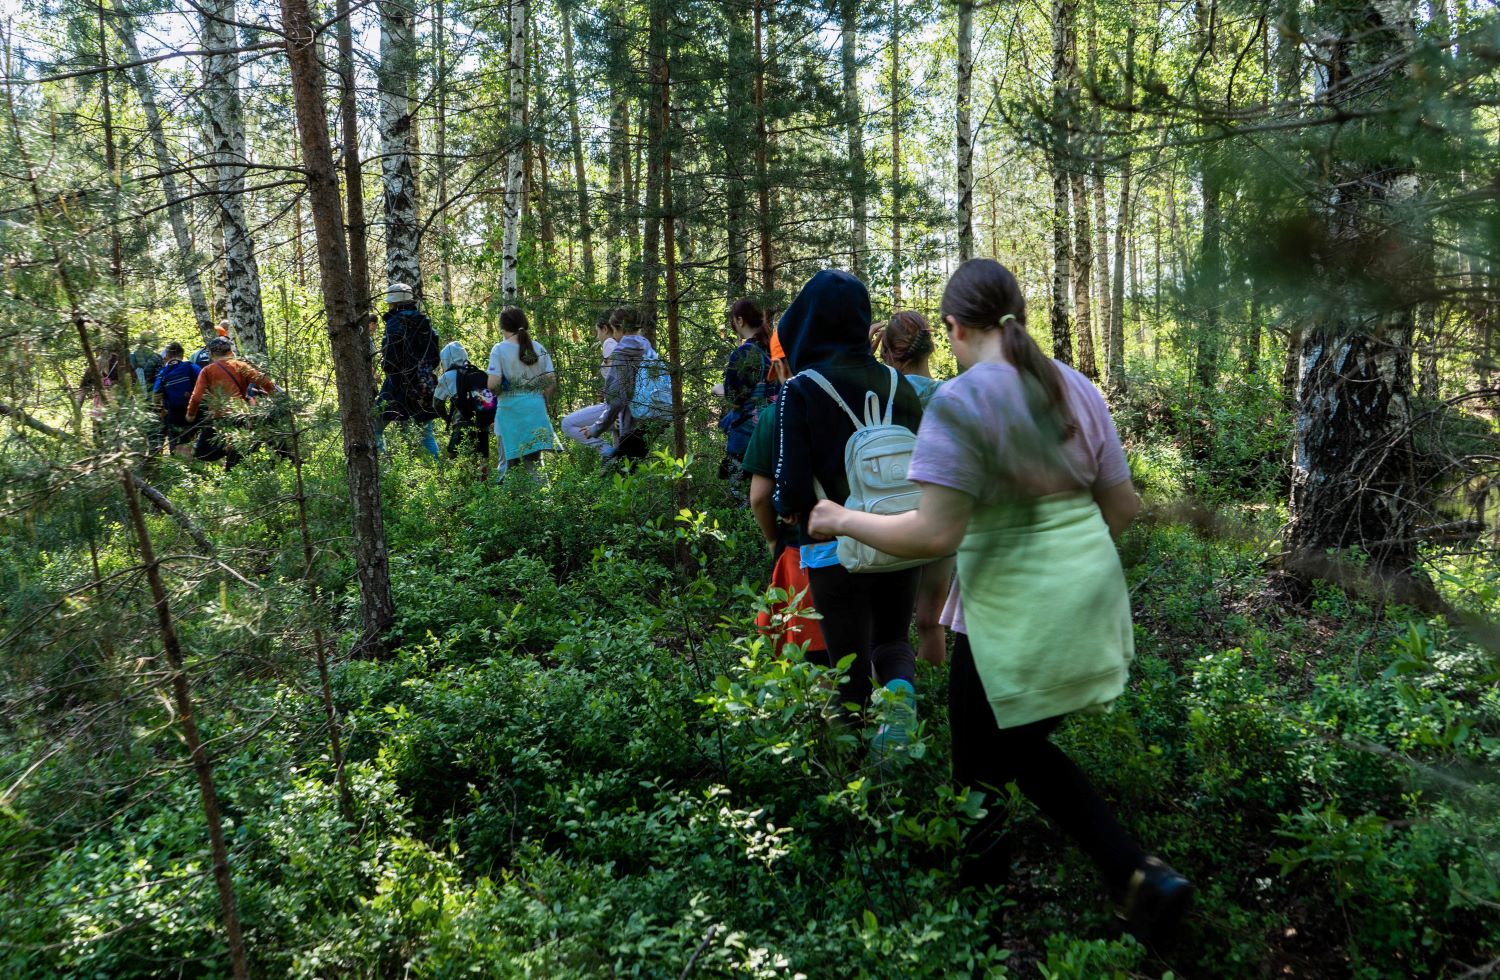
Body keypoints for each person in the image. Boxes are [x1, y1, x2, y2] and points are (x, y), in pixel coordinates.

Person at [808, 258, 1192, 943]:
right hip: (1087, 605)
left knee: (980, 772)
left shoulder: (960, 401)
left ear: (954, 328)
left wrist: (841, 520)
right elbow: (1124, 508)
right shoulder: (1078, 389)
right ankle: (1132, 875)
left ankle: (982, 929)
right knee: (1013, 750)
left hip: (1003, 617)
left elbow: (932, 532)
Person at [771, 269, 925, 745]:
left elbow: (791, 488)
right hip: (900, 536)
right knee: (893, 641)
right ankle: (899, 709)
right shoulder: (902, 387)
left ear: (809, 321)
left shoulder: (800, 390)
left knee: (847, 662)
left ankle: (857, 770)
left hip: (832, 547)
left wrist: (790, 508)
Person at [871, 311, 952, 667]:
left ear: (887, 351)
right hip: (941, 513)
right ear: (930, 347)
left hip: (892, 514)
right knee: (930, 619)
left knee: (887, 628)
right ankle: (935, 693)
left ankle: (894, 695)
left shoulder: (880, 391)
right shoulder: (950, 394)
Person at [744, 331, 826, 660]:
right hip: (864, 543)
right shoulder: (850, 399)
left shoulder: (773, 416)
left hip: (801, 549)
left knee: (808, 654)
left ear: (779, 366)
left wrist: (770, 538)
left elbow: (759, 497)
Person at [487, 306, 559, 478]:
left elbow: (492, 384)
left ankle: (510, 504)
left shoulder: (499, 349)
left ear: (503, 328)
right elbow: (551, 380)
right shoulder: (539, 348)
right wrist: (544, 400)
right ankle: (543, 503)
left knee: (508, 466)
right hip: (535, 409)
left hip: (510, 411)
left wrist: (500, 390)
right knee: (535, 467)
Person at [186, 335, 278, 470]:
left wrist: (191, 414)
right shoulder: (241, 366)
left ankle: (227, 449)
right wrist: (275, 397)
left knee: (201, 452)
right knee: (235, 462)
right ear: (230, 351)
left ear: (211, 354)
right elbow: (264, 381)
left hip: (218, 417)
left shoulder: (207, 370)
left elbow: (196, 396)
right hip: (240, 414)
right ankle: (232, 449)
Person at [581, 307, 658, 469]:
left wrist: (595, 428)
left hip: (631, 423)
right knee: (642, 471)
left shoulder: (622, 353)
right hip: (652, 420)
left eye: (614, 329)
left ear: (619, 328)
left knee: (625, 477)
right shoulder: (648, 349)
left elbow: (616, 399)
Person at [714, 298, 778, 482]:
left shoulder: (743, 353)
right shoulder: (773, 350)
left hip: (747, 437)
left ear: (740, 320)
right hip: (773, 431)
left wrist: (719, 389)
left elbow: (735, 399)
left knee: (740, 496)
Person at [377, 282, 440, 459]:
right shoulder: (425, 323)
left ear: (393, 303)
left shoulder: (394, 323)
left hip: (398, 386)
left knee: (375, 425)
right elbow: (435, 356)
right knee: (426, 434)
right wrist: (423, 373)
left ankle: (383, 472)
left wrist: (395, 379)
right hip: (424, 385)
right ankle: (440, 473)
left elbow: (390, 359)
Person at [560, 310, 623, 454]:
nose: (597, 336)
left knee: (567, 424)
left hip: (615, 409)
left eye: (597, 331)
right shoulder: (623, 344)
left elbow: (620, 378)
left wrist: (616, 415)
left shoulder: (609, 343)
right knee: (625, 460)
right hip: (620, 409)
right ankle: (613, 458)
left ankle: (607, 452)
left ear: (605, 329)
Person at [434, 340, 495, 463]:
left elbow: (437, 404)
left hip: (461, 423)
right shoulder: (476, 373)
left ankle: (462, 482)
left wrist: (448, 419)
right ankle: (482, 481)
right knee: (481, 461)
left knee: (454, 458)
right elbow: (489, 402)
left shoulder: (447, 377)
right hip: (483, 425)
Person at [152, 341, 201, 456]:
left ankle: (180, 467)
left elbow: (156, 394)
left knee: (177, 441)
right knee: (193, 439)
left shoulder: (163, 372)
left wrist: (161, 410)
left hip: (174, 413)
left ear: (167, 356)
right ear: (182, 355)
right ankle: (194, 465)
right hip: (194, 411)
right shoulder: (191, 367)